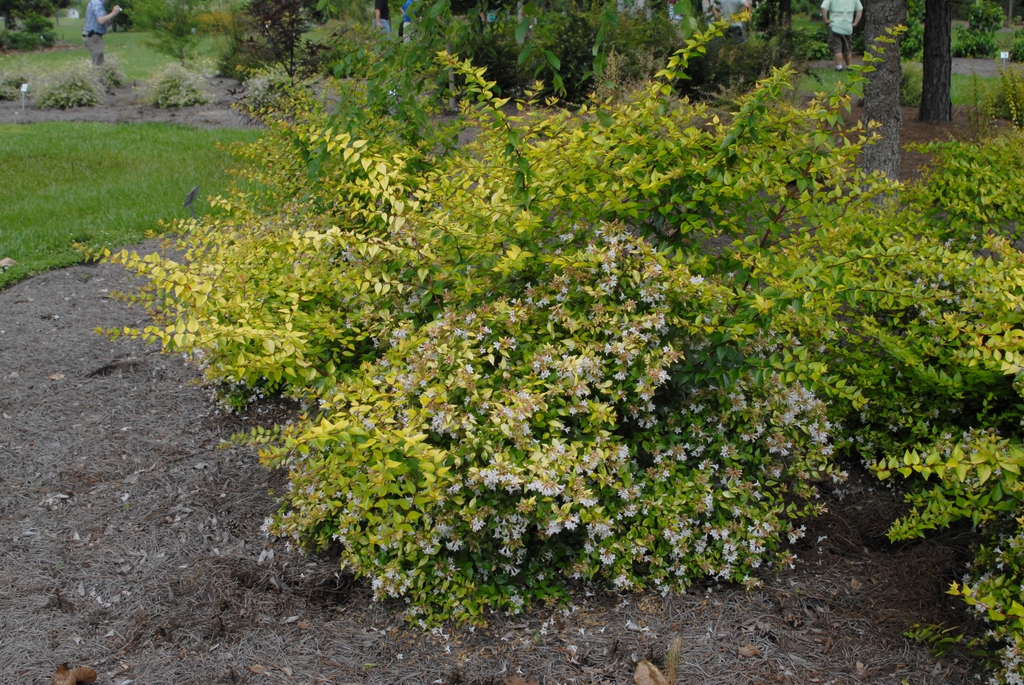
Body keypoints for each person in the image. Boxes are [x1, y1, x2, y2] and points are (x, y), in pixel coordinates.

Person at [821, 0, 862, 71]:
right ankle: (849, 67)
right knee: (847, 48)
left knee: (837, 48)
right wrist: (855, 22)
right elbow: (860, 9)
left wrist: (826, 20)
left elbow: (823, 8)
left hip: (835, 26)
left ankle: (839, 67)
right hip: (847, 27)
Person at [82, 0, 121, 67]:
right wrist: (113, 13)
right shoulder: (96, 3)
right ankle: (97, 77)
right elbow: (101, 20)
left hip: (94, 36)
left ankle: (98, 77)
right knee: (98, 64)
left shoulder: (99, 4)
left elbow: (105, 22)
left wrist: (112, 16)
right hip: (92, 36)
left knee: (99, 61)